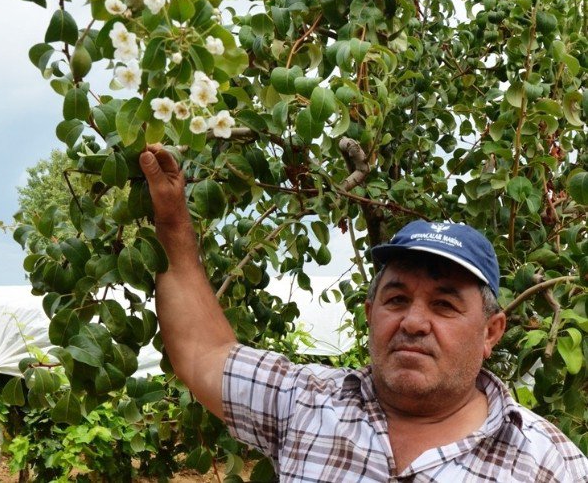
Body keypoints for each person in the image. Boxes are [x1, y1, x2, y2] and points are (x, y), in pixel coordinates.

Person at [139, 144, 588, 482]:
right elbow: (202, 353)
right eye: (396, 300)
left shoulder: (549, 464)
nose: (413, 322)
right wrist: (173, 220)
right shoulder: (306, 402)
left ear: (491, 332)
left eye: (444, 304)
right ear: (371, 313)